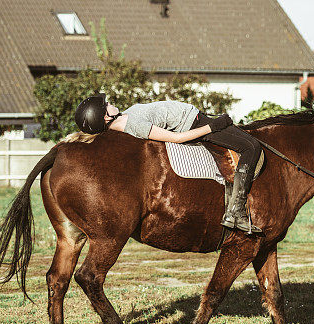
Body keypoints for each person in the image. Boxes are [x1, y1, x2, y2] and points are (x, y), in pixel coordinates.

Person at [74, 93, 262, 234]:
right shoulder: (134, 126)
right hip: (195, 125)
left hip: (195, 118)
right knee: (251, 147)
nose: (109, 102)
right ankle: (236, 210)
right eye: (106, 104)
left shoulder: (124, 117)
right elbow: (176, 138)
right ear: (106, 117)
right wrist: (214, 126)